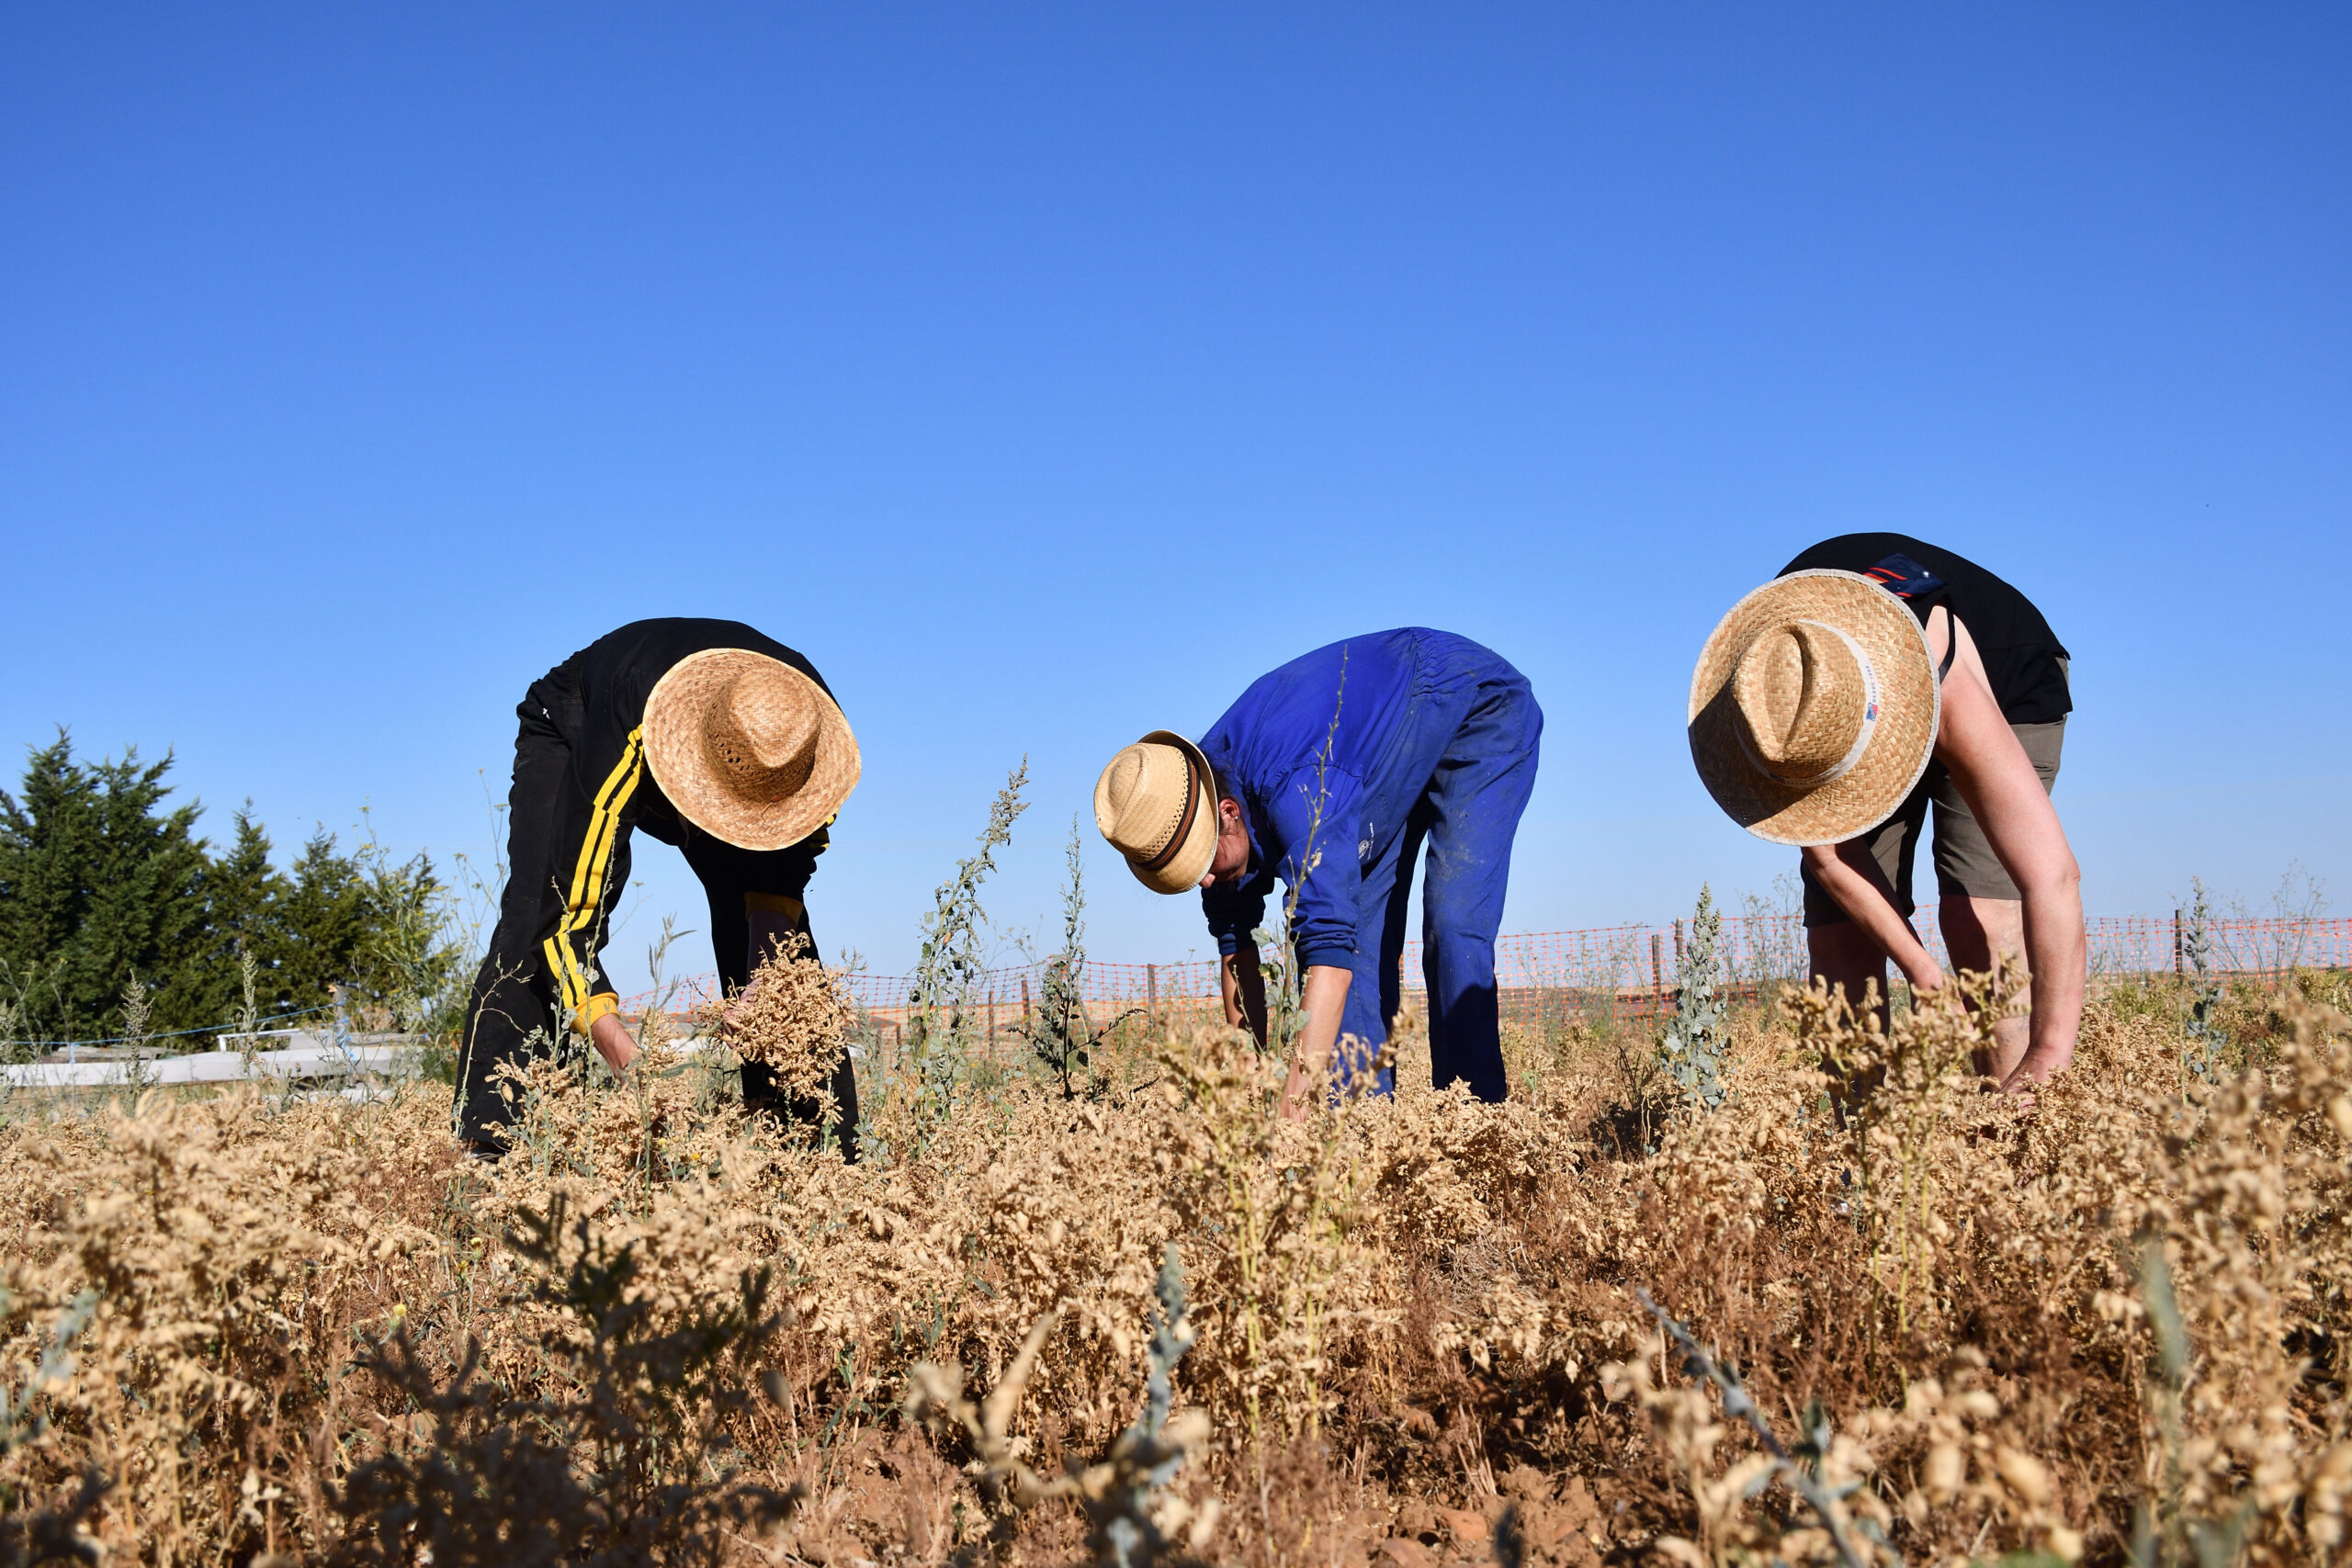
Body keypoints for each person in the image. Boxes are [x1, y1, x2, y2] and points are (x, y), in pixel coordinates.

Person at [1687, 536, 2084, 1091]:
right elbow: (1832, 860)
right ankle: (1866, 1151)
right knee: (1839, 935)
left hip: (2007, 679)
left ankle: (2015, 1129)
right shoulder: (1768, 692)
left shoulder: (1949, 684)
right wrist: (1924, 974)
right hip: (1842, 699)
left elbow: (2053, 877)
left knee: (1982, 921)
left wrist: (2050, 1051)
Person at [456, 618, 863, 1156]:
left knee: (783, 962)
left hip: (734, 754)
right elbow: (566, 913)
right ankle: (493, 1156)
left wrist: (768, 993)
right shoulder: (627, 727)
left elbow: (779, 878)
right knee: (534, 913)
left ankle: (818, 1153)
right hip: (582, 721)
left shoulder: (803, 735)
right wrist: (624, 1052)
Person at [1094, 629, 1542, 1112]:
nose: (1204, 882)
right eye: (1186, 877)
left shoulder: (1295, 789)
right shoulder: (1191, 801)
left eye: (1201, 864)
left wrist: (1287, 1127)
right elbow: (1236, 949)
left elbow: (1327, 962)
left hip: (1471, 702)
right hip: (1374, 759)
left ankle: (1476, 1129)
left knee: (1452, 923)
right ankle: (1360, 1133)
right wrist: (1252, 1088)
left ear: (1229, 814)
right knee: (1361, 946)